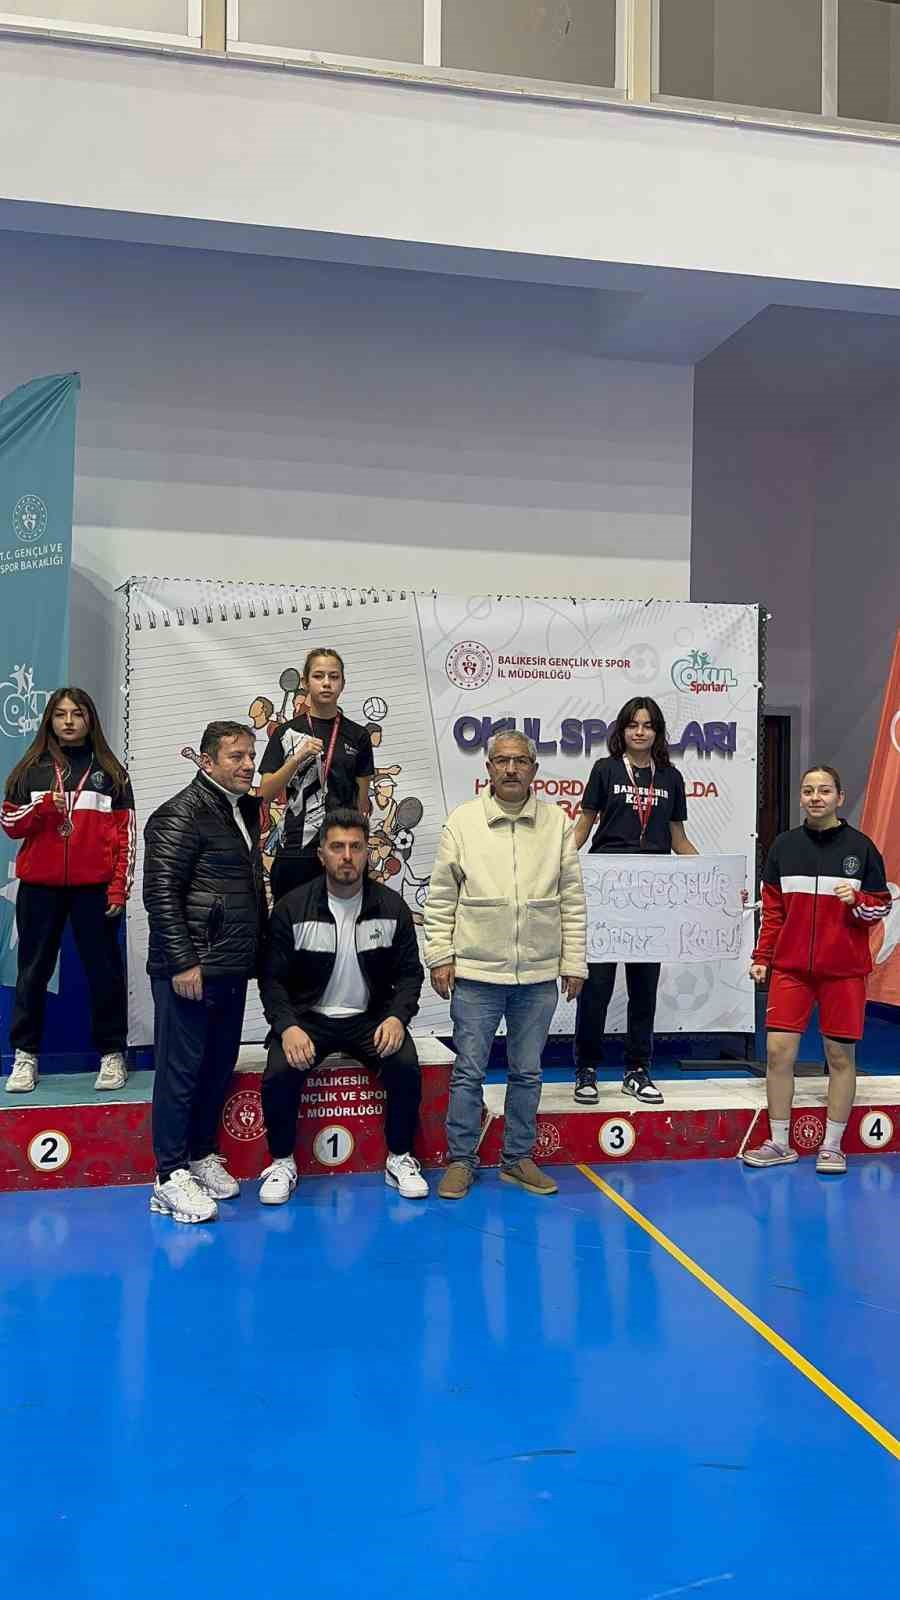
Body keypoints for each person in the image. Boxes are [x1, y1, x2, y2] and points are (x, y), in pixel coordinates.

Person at [423, 730, 586, 1200]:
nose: (511, 769)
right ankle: (461, 1160)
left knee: (527, 1073)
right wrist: (440, 955)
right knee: (468, 1072)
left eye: (520, 761)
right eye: (501, 761)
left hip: (538, 976)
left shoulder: (557, 823)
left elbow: (572, 899)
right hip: (475, 973)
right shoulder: (462, 822)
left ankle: (517, 1159)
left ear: (534, 769)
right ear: (488, 769)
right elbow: (441, 897)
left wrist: (573, 961)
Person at [258, 808, 427, 1202]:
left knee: (404, 1065)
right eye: (337, 847)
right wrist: (287, 1027)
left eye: (356, 847)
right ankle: (282, 1162)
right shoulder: (291, 908)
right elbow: (272, 980)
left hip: (371, 1019)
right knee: (279, 1073)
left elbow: (409, 976)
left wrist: (397, 1018)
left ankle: (400, 1158)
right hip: (308, 1019)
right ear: (321, 855)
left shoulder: (392, 907)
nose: (347, 856)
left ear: (368, 852)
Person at [144, 720, 266, 1223]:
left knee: (217, 1066)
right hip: (189, 970)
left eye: (251, 755)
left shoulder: (241, 809)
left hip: (229, 967)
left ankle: (199, 1155)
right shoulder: (179, 814)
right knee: (180, 1072)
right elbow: (160, 894)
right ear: (207, 761)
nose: (248, 764)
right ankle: (168, 1176)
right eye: (236, 756)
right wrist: (183, 960)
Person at [744, 765, 890, 1175]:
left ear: (840, 798)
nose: (815, 797)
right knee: (778, 1053)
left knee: (839, 1056)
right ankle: (779, 1141)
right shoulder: (784, 847)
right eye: (808, 790)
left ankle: (832, 1146)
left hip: (843, 972)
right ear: (801, 797)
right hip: (791, 970)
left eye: (824, 791)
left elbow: (880, 908)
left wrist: (857, 900)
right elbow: (773, 911)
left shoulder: (862, 848)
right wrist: (762, 957)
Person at [1, 687, 135, 1094]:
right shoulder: (31, 770)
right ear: (50, 721)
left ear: (90, 719)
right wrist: (42, 809)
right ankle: (26, 1055)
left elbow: (126, 835)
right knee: (32, 973)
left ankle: (112, 1054)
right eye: (61, 714)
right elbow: (10, 824)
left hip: (94, 889)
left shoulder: (111, 772)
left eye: (77, 713)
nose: (69, 721)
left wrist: (118, 888)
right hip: (39, 889)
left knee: (104, 973)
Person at [572, 696, 698, 1107]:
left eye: (647, 725)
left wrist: (715, 878)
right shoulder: (605, 770)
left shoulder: (671, 777)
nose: (640, 732)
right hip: (607, 887)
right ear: (622, 730)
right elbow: (583, 828)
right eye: (632, 725)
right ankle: (586, 1069)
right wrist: (554, 865)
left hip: (652, 892)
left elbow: (678, 839)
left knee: (644, 987)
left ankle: (637, 1070)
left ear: (658, 732)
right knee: (597, 987)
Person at [257, 649, 374, 904]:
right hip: (297, 849)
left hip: (342, 849)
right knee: (292, 922)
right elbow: (265, 793)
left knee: (346, 921)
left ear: (343, 683)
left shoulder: (358, 736)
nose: (326, 683)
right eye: (319, 676)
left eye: (334, 676)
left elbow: (362, 802)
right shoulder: (286, 733)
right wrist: (297, 758)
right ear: (305, 682)